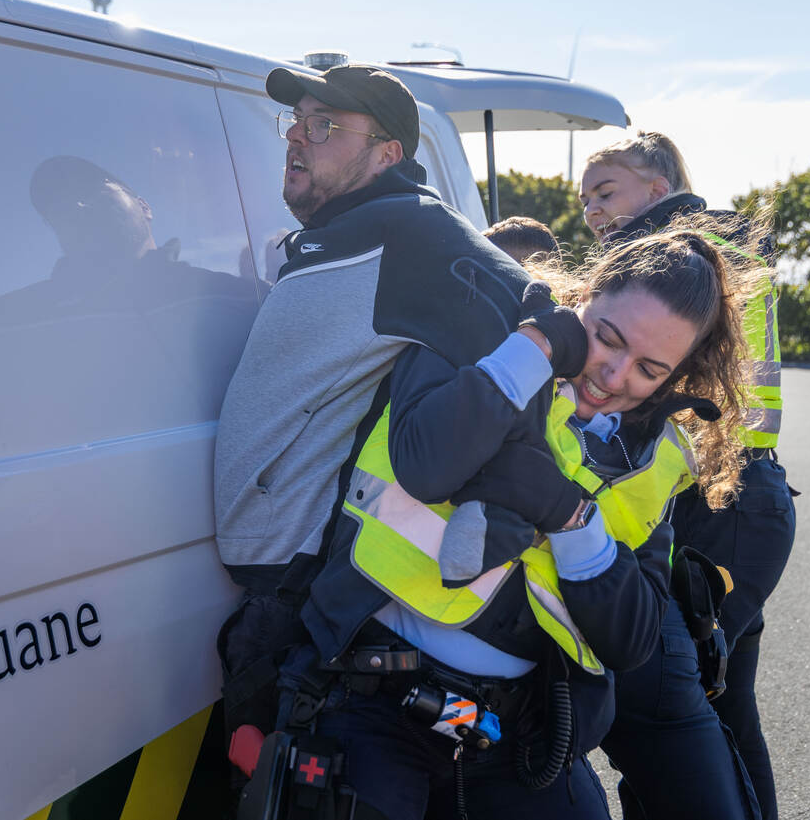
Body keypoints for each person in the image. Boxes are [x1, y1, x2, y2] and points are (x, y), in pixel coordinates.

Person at [285, 224, 765, 819]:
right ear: (582, 299)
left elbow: (632, 639)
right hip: (368, 703)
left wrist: (569, 516)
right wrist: (535, 345)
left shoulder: (658, 463)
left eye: (649, 370)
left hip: (514, 735)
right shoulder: (478, 338)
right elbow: (427, 463)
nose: (614, 377)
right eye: (606, 338)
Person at [212, 63, 539, 758]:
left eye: (324, 126)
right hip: (272, 583)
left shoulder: (412, 230)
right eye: (296, 123)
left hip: (308, 586)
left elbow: (539, 318)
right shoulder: (345, 229)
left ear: (387, 153)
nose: (298, 138)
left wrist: (507, 501)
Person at [579, 130, 796, 820]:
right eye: (584, 201)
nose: (592, 212)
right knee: (725, 707)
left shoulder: (696, 247)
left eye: (605, 191)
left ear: (658, 181)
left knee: (680, 709)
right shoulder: (718, 238)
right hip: (737, 498)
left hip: (726, 500)